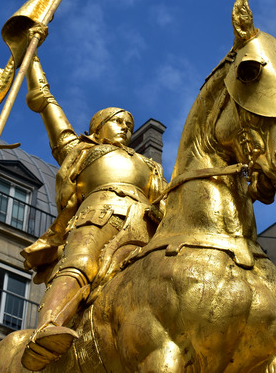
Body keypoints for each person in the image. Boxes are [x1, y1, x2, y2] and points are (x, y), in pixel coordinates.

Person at [19, 55, 166, 370]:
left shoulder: (149, 166)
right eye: (117, 122)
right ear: (97, 126)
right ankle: (46, 330)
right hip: (98, 214)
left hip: (144, 223)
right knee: (82, 262)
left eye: (129, 125)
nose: (125, 129)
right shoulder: (80, 150)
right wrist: (29, 62)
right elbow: (45, 102)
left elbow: (166, 198)